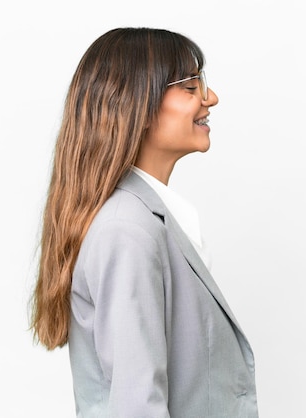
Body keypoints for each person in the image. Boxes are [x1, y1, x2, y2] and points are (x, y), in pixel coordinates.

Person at [31, 27, 258, 417]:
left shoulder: (144, 220)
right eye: (190, 87)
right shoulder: (128, 230)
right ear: (138, 104)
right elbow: (137, 407)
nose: (210, 97)